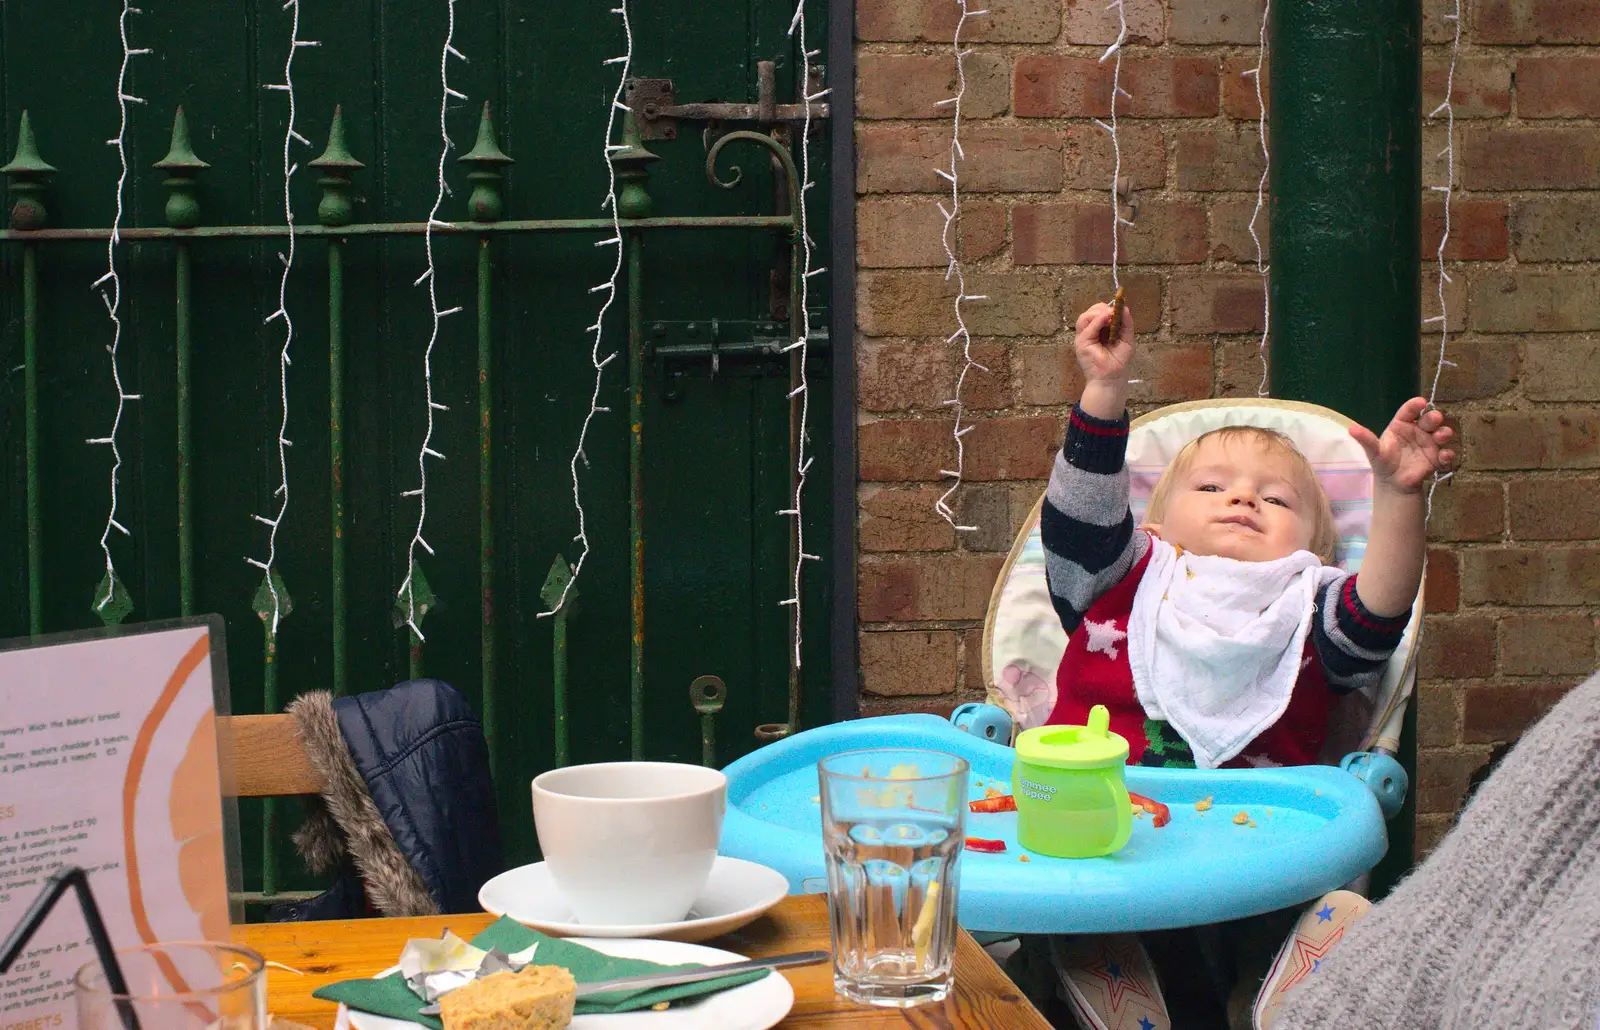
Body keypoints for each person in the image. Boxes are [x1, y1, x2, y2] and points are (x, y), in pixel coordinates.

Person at [1021, 301, 1456, 1030]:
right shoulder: (1123, 573)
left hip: (1257, 851)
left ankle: (1281, 986)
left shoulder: (1309, 605)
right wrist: (1104, 390)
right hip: (1109, 834)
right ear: (1154, 521)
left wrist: (1399, 497)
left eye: (1276, 497)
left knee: (1310, 905)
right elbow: (1080, 517)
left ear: (1316, 552)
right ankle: (1119, 978)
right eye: (1212, 487)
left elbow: (1380, 613)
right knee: (1078, 907)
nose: (1243, 496)